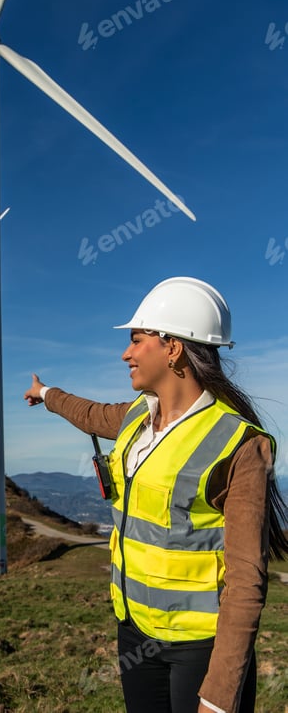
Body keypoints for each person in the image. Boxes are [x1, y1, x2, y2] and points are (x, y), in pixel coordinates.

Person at [24, 276, 288, 713]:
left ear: (172, 347)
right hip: (135, 633)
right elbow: (89, 414)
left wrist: (220, 697)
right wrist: (46, 393)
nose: (125, 353)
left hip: (199, 648)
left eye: (136, 339)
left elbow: (246, 582)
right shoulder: (135, 418)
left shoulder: (240, 444)